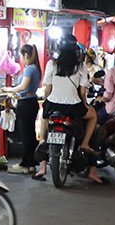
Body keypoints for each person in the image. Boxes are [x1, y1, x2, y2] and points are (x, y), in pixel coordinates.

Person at [34, 41, 105, 184]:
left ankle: (42, 139)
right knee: (93, 116)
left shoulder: (52, 64)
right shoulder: (80, 66)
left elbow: (47, 88)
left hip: (53, 104)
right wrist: (85, 104)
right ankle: (85, 143)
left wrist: (48, 100)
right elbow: (83, 91)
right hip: (73, 105)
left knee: (44, 113)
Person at [1, 44, 43, 175]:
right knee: (30, 135)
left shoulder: (29, 68)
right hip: (31, 102)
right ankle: (30, 164)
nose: (21, 59)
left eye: (21, 56)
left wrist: (9, 89)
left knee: (25, 136)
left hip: (25, 104)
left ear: (26, 55)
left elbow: (23, 86)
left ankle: (25, 165)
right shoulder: (35, 68)